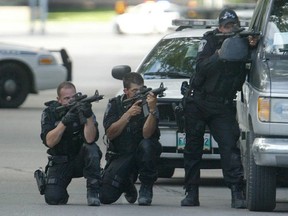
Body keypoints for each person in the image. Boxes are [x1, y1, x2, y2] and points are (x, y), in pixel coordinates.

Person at [181, 9, 258, 208]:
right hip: (198, 101)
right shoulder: (209, 41)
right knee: (193, 149)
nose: (231, 29)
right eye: (227, 25)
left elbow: (255, 64)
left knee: (229, 148)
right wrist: (220, 53)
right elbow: (201, 67)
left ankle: (237, 192)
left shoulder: (243, 42)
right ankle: (191, 192)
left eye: (234, 25)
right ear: (220, 27)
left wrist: (251, 47)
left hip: (222, 104)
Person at [100, 72, 162, 206]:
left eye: (141, 89)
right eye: (135, 91)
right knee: (105, 197)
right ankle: (127, 184)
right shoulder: (115, 105)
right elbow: (110, 134)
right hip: (121, 156)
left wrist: (152, 111)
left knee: (148, 145)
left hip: (141, 155)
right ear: (126, 91)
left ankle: (146, 187)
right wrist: (127, 115)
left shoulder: (148, 104)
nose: (139, 93)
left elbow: (147, 134)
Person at [40, 81, 102, 206]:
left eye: (73, 97)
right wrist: (64, 122)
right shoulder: (50, 113)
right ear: (59, 100)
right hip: (61, 162)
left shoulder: (84, 109)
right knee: (53, 199)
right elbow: (50, 142)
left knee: (92, 148)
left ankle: (93, 192)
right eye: (66, 98)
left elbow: (90, 139)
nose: (70, 101)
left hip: (81, 161)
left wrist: (88, 116)